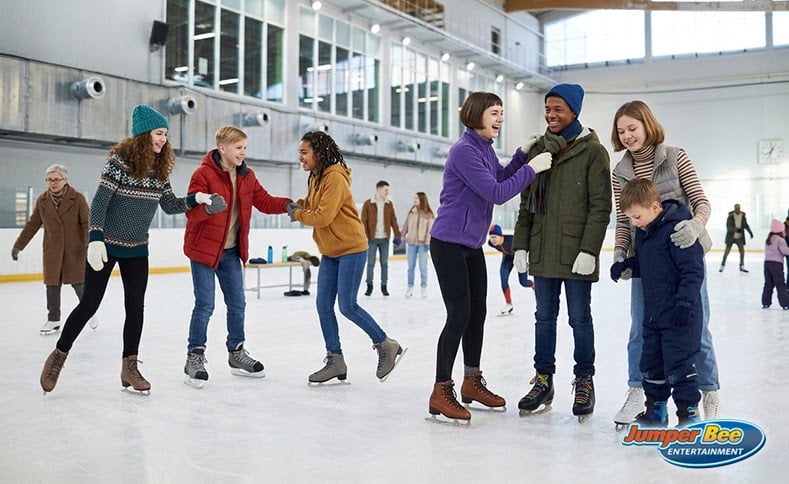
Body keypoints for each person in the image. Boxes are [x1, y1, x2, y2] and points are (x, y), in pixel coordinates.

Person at [39, 104, 214, 394]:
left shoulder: (159, 171)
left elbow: (170, 206)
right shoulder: (118, 162)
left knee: (135, 308)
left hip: (137, 249)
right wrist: (95, 239)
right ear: (145, 134)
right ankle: (58, 356)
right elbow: (100, 202)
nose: (163, 139)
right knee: (89, 304)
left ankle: (129, 367)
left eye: (166, 134)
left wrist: (197, 199)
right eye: (159, 133)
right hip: (106, 246)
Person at [428, 91, 552, 422]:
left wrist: (522, 155)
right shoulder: (464, 151)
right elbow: (497, 193)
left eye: (501, 113)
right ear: (476, 114)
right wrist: (533, 170)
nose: (499, 118)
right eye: (494, 113)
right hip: (448, 243)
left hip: (470, 244)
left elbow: (498, 175)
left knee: (477, 312)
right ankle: (441, 390)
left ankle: (471, 381)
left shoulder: (482, 148)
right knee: (458, 314)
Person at [610, 99, 721, 425]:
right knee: (641, 329)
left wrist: (696, 225)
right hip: (647, 260)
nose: (628, 135)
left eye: (633, 127)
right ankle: (637, 391)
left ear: (647, 124)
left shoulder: (675, 156)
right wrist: (621, 252)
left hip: (684, 253)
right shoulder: (621, 171)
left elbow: (700, 200)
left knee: (695, 329)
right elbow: (623, 219)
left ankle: (709, 391)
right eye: (621, 131)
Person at [513, 83, 611, 422]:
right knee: (543, 319)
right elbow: (527, 203)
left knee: (579, 319)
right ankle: (543, 380)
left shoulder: (593, 151)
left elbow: (600, 207)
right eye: (547, 109)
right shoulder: (541, 149)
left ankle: (584, 379)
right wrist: (521, 244)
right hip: (542, 249)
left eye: (558, 109)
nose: (551, 115)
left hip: (576, 252)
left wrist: (589, 250)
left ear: (574, 112)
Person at [289, 131, 406, 384]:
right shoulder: (316, 176)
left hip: (351, 247)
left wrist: (297, 214)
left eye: (304, 152)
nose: (300, 156)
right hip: (330, 250)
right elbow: (311, 204)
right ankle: (335, 360)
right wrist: (294, 204)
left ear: (318, 153)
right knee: (323, 306)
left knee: (348, 305)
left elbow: (322, 216)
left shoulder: (335, 178)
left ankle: (386, 344)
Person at [182, 125, 292, 388]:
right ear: (223, 148)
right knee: (205, 305)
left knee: (238, 303)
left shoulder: (247, 175)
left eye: (244, 147)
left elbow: (264, 201)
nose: (243, 152)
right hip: (204, 251)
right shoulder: (203, 173)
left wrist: (287, 204)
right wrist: (207, 209)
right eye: (238, 147)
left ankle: (236, 353)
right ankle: (194, 357)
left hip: (230, 252)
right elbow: (190, 211)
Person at [612, 178, 704, 427]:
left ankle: (689, 416)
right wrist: (626, 265)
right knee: (651, 364)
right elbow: (649, 264)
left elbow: (693, 271)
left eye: (636, 217)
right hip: (654, 315)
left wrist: (685, 305)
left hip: (679, 315)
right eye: (629, 218)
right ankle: (656, 411)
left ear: (655, 207)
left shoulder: (678, 231)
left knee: (679, 366)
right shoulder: (646, 233)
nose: (634, 223)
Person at [11, 164, 93, 335]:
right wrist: (19, 245)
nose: (53, 183)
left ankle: (89, 312)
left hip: (75, 249)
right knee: (52, 285)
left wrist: (90, 243)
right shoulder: (42, 200)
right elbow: (33, 224)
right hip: (53, 250)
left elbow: (87, 223)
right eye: (50, 180)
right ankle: (53, 319)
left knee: (79, 284)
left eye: (56, 179)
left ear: (65, 180)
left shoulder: (77, 198)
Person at [360, 180, 401, 296]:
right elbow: (363, 221)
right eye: (386, 190)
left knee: (384, 263)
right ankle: (369, 286)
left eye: (388, 190)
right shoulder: (368, 203)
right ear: (378, 189)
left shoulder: (389, 204)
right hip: (372, 238)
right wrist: (365, 236)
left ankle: (384, 286)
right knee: (371, 263)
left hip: (384, 239)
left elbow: (393, 219)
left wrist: (397, 234)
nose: (387, 192)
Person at [487, 224, 533, 315]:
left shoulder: (511, 241)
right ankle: (509, 303)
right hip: (507, 258)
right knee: (503, 279)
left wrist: (527, 260)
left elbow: (526, 246)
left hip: (519, 257)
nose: (493, 240)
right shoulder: (490, 243)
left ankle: (533, 285)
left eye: (495, 237)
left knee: (523, 282)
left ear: (501, 236)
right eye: (491, 237)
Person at [400, 191, 435, 298]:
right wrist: (401, 235)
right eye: (414, 198)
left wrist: (427, 242)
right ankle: (410, 287)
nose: (414, 200)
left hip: (423, 244)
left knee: (423, 267)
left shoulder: (428, 214)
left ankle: (423, 287)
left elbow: (430, 230)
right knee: (410, 267)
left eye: (416, 198)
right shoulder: (412, 212)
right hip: (411, 243)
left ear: (422, 200)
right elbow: (406, 225)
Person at [761, 219, 789, 309]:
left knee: (768, 284)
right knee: (780, 284)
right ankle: (785, 304)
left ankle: (766, 302)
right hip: (776, 265)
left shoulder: (768, 239)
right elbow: (785, 251)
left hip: (767, 264)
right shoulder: (780, 240)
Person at [719, 203, 753, 273]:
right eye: (736, 208)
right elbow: (728, 227)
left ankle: (742, 266)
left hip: (739, 238)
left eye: (739, 208)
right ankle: (722, 266)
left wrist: (750, 233)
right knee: (726, 252)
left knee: (742, 252)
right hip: (731, 237)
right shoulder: (730, 217)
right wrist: (737, 229)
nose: (738, 209)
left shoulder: (742, 216)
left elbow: (746, 225)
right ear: (734, 208)